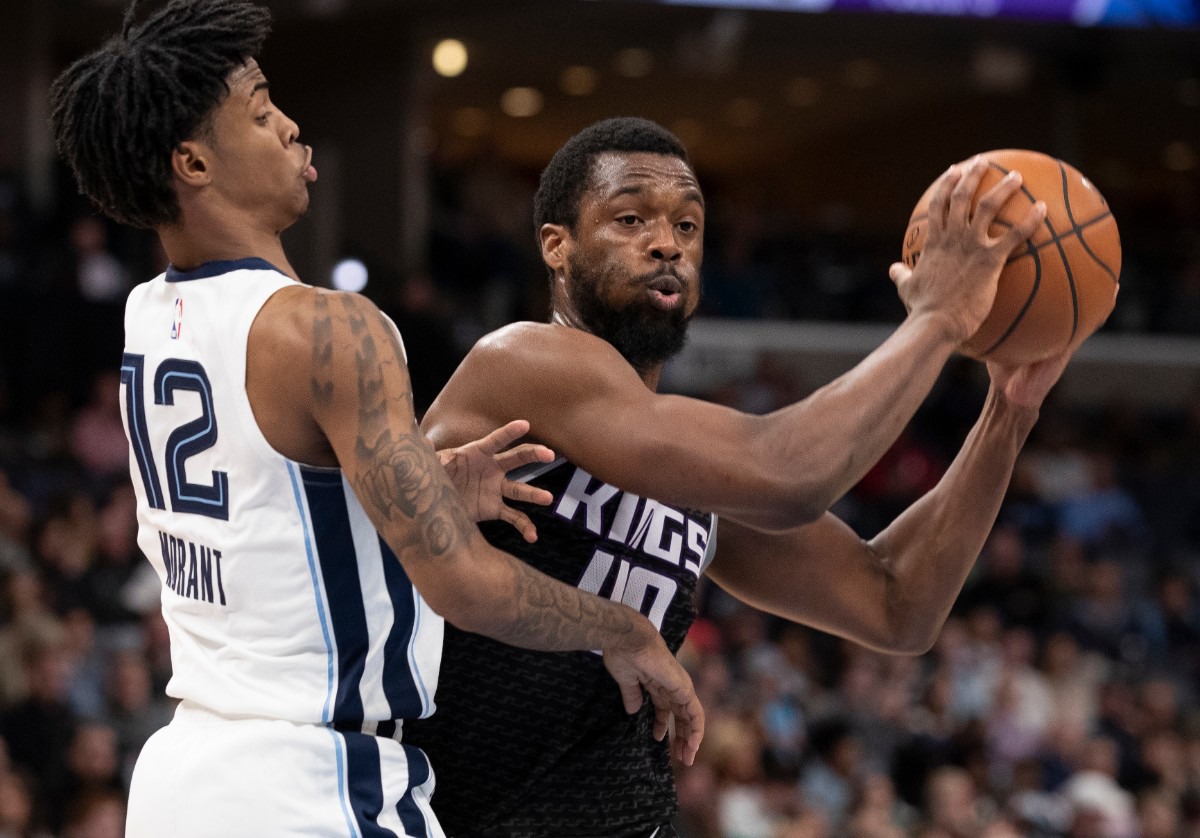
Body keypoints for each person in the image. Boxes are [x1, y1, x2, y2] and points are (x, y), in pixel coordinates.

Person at [48, 7, 702, 837]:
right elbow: (463, 584)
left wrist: (420, 489)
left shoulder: (150, 315)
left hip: (186, 777)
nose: (288, 126)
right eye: (258, 112)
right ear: (193, 162)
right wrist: (627, 630)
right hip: (313, 783)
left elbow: (265, 503)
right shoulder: (330, 329)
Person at [403, 116, 1076, 837]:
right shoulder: (521, 362)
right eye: (630, 218)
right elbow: (789, 474)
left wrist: (1005, 416)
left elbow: (895, 603)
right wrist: (938, 317)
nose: (667, 243)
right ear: (555, 246)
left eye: (688, 227)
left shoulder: (686, 461)